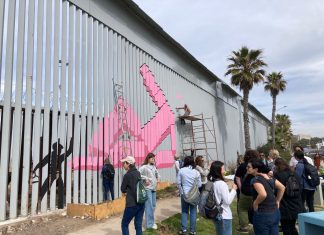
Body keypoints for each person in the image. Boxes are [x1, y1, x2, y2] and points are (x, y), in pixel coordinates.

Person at [247, 159, 285, 235]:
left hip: (263, 214)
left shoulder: (255, 180)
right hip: (275, 212)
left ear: (256, 169)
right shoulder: (269, 178)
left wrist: (255, 203)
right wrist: (277, 201)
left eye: (249, 167)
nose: (246, 168)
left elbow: (263, 194)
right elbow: (282, 187)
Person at [274, 158, 303, 235]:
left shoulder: (278, 175)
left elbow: (276, 190)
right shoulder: (294, 173)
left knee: (285, 227)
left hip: (284, 203)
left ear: (276, 165)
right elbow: (300, 187)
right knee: (292, 226)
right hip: (295, 202)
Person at [209, 161, 237, 235]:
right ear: (218, 170)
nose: (224, 171)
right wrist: (234, 189)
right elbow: (227, 201)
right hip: (224, 215)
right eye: (223, 169)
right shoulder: (221, 184)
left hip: (216, 213)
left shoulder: (212, 182)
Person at [234, 149, 259, 233]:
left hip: (246, 189)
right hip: (257, 189)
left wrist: (241, 188)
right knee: (255, 207)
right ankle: (255, 224)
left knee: (242, 208)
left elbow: (237, 177)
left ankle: (244, 226)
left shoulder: (242, 165)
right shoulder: (258, 165)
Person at [120, 156, 145, 235]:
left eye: (124, 163)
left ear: (128, 164)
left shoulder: (127, 175)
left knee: (124, 224)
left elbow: (123, 189)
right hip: (141, 203)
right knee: (138, 225)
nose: (123, 165)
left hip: (132, 204)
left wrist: (126, 191)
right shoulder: (138, 173)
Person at [177, 156, 202, 235]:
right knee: (193, 212)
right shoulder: (196, 172)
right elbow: (200, 184)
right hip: (194, 195)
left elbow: (178, 183)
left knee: (184, 212)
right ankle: (192, 231)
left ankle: (184, 229)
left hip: (184, 194)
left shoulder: (181, 170)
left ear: (185, 162)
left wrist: (181, 192)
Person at [139, 153, 161, 230]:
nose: (153, 160)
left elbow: (157, 174)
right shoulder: (144, 167)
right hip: (148, 188)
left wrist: (158, 179)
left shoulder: (154, 167)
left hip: (154, 188)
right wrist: (145, 179)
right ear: (148, 159)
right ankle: (149, 224)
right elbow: (139, 174)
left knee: (153, 205)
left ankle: (151, 221)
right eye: (152, 158)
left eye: (154, 158)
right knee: (149, 206)